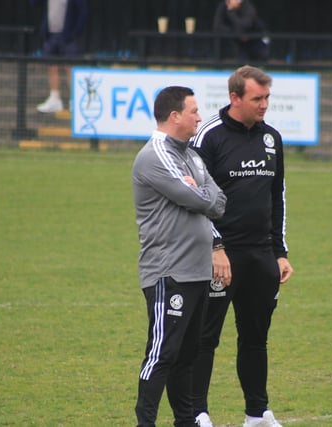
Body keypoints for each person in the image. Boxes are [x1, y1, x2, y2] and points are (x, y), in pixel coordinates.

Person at [190, 66, 294, 427]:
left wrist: (280, 252)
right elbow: (196, 198)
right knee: (206, 337)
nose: (264, 105)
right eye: (257, 99)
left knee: (255, 338)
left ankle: (256, 414)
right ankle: (198, 413)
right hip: (220, 256)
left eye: (267, 98)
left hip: (261, 255)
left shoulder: (272, 138)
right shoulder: (209, 137)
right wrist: (215, 247)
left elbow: (276, 196)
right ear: (236, 98)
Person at [132, 86, 227, 427]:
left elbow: (218, 199)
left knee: (187, 356)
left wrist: (199, 191)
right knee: (163, 354)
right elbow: (203, 201)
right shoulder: (155, 154)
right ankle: (145, 423)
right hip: (168, 273)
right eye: (194, 111)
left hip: (197, 272)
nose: (199, 117)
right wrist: (199, 193)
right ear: (174, 116)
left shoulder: (191, 154)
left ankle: (184, 422)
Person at [30, 0, 88, 113]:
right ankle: (55, 98)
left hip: (67, 38)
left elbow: (83, 12)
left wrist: (74, 33)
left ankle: (75, 100)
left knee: (70, 67)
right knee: (52, 66)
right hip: (51, 35)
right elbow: (34, 3)